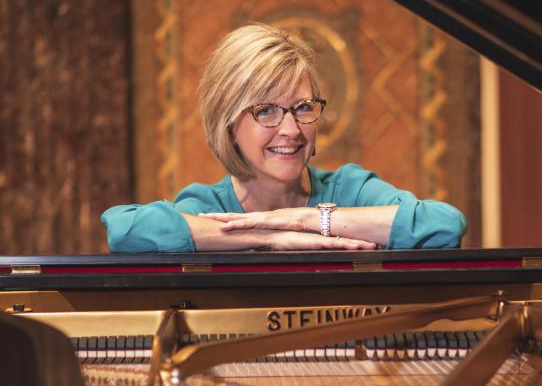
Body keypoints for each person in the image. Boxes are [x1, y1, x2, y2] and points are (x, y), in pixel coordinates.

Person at [101, 23, 467, 252]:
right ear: (229, 125)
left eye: (303, 107)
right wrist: (269, 236)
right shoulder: (206, 204)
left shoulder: (351, 190)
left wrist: (307, 221)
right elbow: (124, 230)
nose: (291, 130)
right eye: (265, 111)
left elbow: (444, 226)